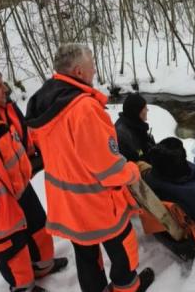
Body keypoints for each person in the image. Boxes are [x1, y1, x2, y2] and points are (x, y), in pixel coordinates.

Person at [25, 44, 154, 292]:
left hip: (67, 203)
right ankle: (128, 288)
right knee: (122, 253)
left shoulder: (44, 104)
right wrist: (132, 171)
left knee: (86, 255)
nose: (94, 70)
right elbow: (108, 168)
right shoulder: (84, 109)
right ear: (78, 71)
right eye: (92, 66)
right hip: (98, 204)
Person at [0, 65, 68, 292]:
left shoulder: (3, 110)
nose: (5, 91)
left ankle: (43, 268)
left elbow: (23, 134)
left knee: (39, 230)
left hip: (22, 190)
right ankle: (24, 288)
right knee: (13, 252)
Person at [115, 93, 155, 163]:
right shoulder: (124, 135)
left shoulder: (134, 124)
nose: (147, 110)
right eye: (145, 108)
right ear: (136, 112)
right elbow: (139, 154)